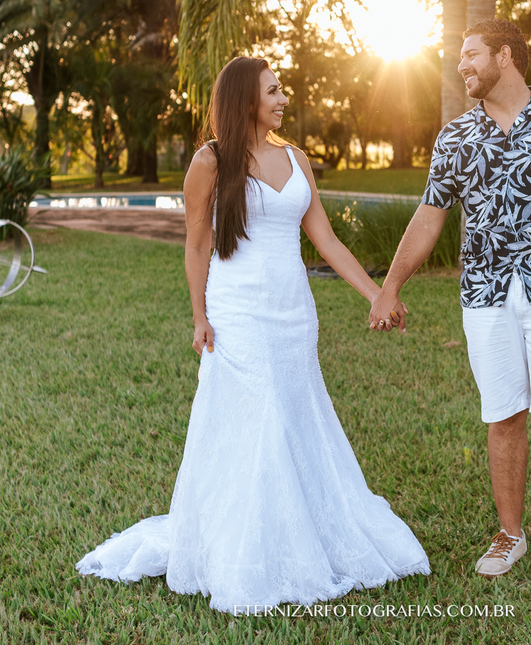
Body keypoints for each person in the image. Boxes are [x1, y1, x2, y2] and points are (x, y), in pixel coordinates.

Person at [76, 56, 429, 613]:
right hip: (238, 313)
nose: (284, 98)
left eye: (282, 89)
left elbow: (326, 240)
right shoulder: (209, 162)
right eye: (273, 90)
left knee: (292, 414)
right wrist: (199, 316)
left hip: (293, 312)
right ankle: (247, 548)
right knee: (258, 420)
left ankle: (301, 528)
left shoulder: (296, 157)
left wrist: (377, 294)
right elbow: (197, 243)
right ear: (245, 100)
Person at [369, 19, 531, 589]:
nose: (462, 65)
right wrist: (391, 285)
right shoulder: (456, 136)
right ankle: (511, 534)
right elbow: (429, 215)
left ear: (505, 56)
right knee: (503, 417)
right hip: (484, 295)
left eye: (471, 54)